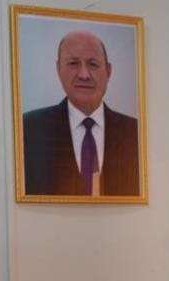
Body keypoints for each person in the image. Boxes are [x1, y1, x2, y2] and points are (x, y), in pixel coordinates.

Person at [22, 30, 140, 196]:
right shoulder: (28, 129)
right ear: (58, 69)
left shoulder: (135, 132)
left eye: (93, 64)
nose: (84, 75)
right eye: (73, 63)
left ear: (108, 71)